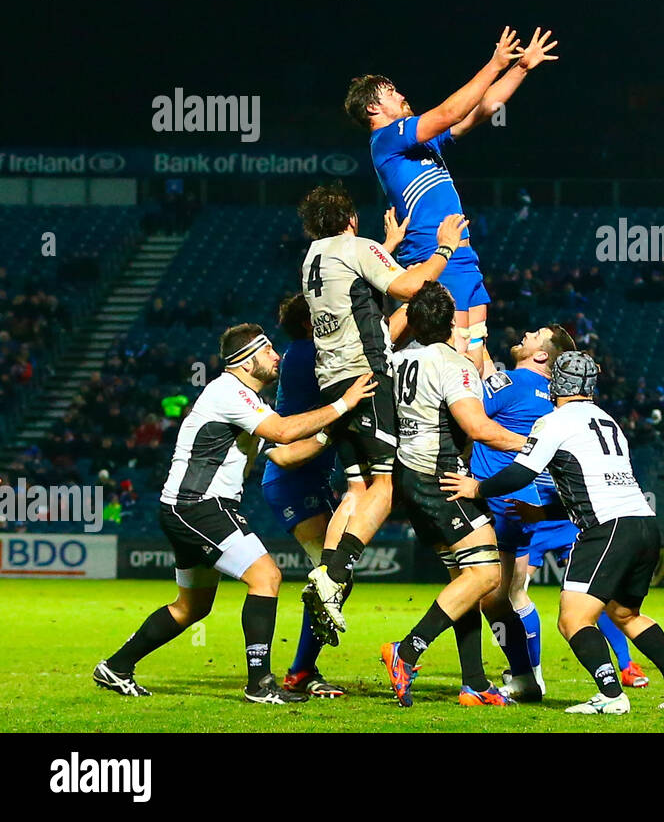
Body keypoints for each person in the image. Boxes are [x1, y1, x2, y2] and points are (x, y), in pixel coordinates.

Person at [93, 324, 376, 703]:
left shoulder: (246, 401)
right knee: (267, 576)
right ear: (246, 360)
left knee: (191, 607)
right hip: (199, 505)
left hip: (185, 506)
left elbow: (285, 455)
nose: (277, 356)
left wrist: (332, 433)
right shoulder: (228, 391)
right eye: (269, 350)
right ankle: (259, 684)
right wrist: (343, 404)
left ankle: (116, 666)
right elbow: (281, 433)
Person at [441, 351, 664, 715]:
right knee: (626, 614)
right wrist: (542, 512)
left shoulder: (554, 421)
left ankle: (611, 695)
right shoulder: (608, 421)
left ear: (557, 383)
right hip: (643, 523)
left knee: (573, 618)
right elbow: (596, 485)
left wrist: (476, 489)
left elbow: (521, 473)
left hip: (607, 529)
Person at [297, 182, 466, 641]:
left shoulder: (313, 256)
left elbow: (355, 291)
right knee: (386, 483)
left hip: (331, 381)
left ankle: (327, 574)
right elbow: (409, 286)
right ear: (351, 220)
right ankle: (334, 575)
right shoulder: (356, 247)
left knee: (356, 484)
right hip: (367, 377)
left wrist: (387, 247)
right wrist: (445, 249)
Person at [348, 26, 559, 374]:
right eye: (391, 92)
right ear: (373, 107)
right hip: (436, 258)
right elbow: (450, 112)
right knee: (460, 359)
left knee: (477, 352)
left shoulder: (419, 143)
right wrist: (494, 64)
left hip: (461, 256)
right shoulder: (387, 139)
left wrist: (520, 68)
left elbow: (482, 109)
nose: (401, 95)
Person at [379, 281, 528, 707]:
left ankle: (475, 683)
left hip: (410, 475)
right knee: (486, 575)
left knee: (465, 580)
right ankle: (406, 652)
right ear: (449, 322)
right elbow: (479, 428)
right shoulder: (452, 363)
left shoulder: (402, 359)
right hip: (441, 477)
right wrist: (532, 445)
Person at [258, 293, 347, 697]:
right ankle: (300, 672)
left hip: (307, 478)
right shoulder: (305, 354)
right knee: (331, 573)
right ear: (313, 323)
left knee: (336, 575)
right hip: (291, 479)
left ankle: (303, 669)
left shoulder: (302, 352)